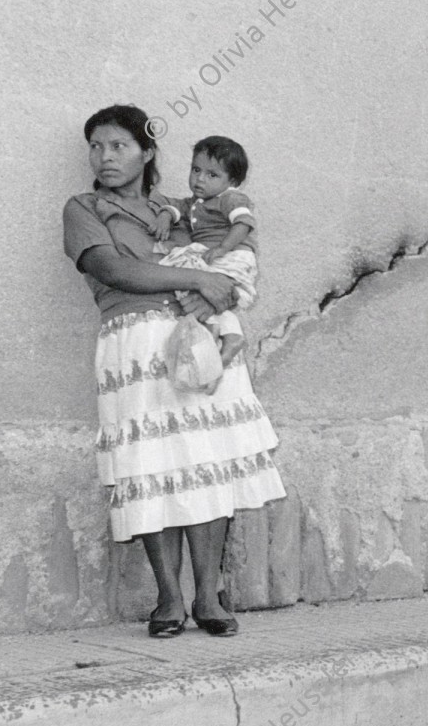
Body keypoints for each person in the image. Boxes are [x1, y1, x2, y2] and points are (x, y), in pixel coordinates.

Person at [63, 106, 286, 638]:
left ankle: (207, 596)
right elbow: (111, 268)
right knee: (151, 465)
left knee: (206, 461)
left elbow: (230, 265)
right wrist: (195, 278)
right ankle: (168, 598)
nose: (104, 156)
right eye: (96, 147)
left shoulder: (182, 207)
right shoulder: (84, 207)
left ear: (146, 152)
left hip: (198, 335)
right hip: (134, 345)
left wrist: (216, 293)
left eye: (118, 145)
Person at [156, 135, 259, 370]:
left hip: (233, 255)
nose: (200, 179)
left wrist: (223, 247)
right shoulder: (196, 201)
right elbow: (175, 207)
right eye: (196, 170)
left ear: (231, 181)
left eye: (212, 175)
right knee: (198, 292)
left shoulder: (231, 198)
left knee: (187, 276)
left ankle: (216, 330)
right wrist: (164, 215)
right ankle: (227, 335)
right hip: (215, 254)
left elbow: (243, 223)